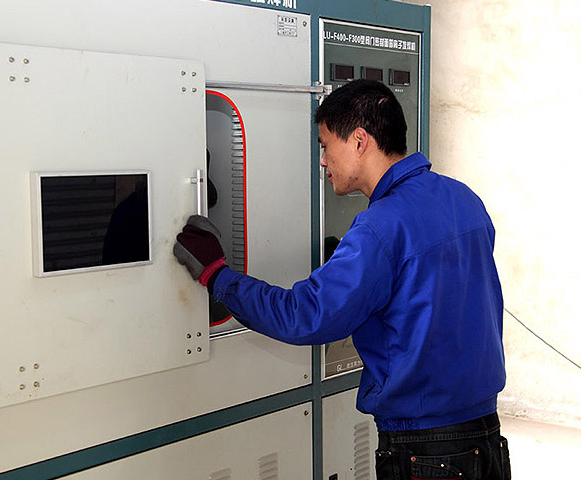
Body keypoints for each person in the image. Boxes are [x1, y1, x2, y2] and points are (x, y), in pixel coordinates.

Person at [174, 79, 510, 480]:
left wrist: (217, 275)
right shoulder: (463, 198)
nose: (323, 160)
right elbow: (435, 292)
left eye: (325, 145)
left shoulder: (379, 228)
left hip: (426, 450)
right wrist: (356, 268)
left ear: (359, 141)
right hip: (487, 439)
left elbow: (306, 315)